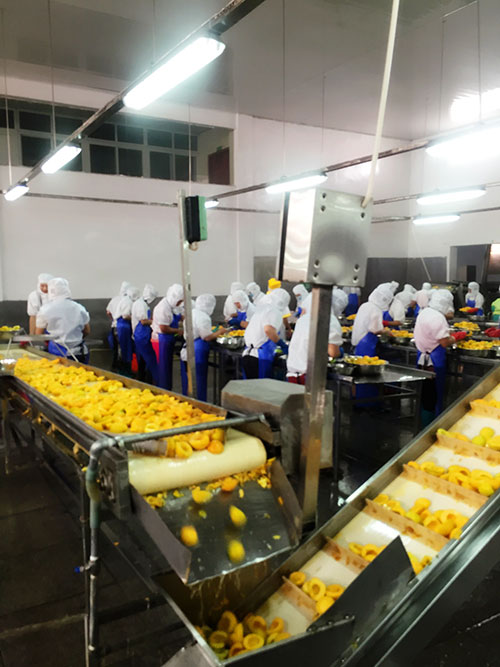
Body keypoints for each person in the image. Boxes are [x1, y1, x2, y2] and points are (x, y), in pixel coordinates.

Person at [414, 289, 456, 424]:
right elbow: (444, 342)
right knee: (434, 394)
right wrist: (455, 338)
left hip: (422, 356)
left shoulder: (424, 312)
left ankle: (424, 421)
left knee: (425, 392)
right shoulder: (438, 318)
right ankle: (433, 424)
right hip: (434, 360)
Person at [286, 292, 343, 384]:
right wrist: (339, 353)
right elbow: (333, 352)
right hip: (310, 375)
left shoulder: (302, 320)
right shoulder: (329, 319)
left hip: (292, 373)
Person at [180, 294, 228, 401]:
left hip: (188, 346)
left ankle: (187, 402)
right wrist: (220, 332)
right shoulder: (203, 317)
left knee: (187, 379)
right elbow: (206, 337)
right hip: (198, 350)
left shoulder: (192, 312)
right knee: (199, 379)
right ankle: (200, 403)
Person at [36, 278, 90, 362]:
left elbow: (39, 334)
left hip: (57, 353)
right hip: (79, 352)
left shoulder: (45, 309)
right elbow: (87, 331)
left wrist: (49, 341)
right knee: (81, 370)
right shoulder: (79, 308)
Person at [242, 292, 288, 379]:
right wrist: (282, 344)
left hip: (248, 354)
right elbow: (268, 330)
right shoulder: (274, 311)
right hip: (259, 357)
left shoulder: (261, 311)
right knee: (261, 385)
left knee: (250, 385)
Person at [151, 284, 184, 390]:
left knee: (167, 367)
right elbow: (164, 328)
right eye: (179, 301)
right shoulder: (163, 308)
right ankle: (163, 391)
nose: (179, 304)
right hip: (161, 341)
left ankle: (167, 389)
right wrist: (178, 331)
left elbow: (174, 317)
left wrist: (182, 317)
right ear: (174, 298)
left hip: (167, 340)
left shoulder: (169, 305)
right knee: (163, 369)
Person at [132, 284, 159, 384]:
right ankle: (156, 381)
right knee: (150, 358)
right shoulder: (141, 304)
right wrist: (156, 322)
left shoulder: (142, 303)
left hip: (143, 334)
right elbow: (143, 321)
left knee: (142, 360)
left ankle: (143, 380)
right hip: (141, 335)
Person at [116, 286, 140, 375]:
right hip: (124, 326)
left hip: (123, 326)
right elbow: (125, 316)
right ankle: (125, 371)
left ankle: (126, 369)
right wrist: (136, 318)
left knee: (126, 348)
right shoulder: (128, 302)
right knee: (126, 348)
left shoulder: (126, 300)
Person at [106, 281, 130, 370]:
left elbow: (108, 312)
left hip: (114, 326)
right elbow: (126, 315)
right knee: (123, 349)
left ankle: (114, 368)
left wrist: (113, 319)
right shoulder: (128, 300)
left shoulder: (114, 299)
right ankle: (123, 369)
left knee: (115, 349)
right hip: (123, 327)